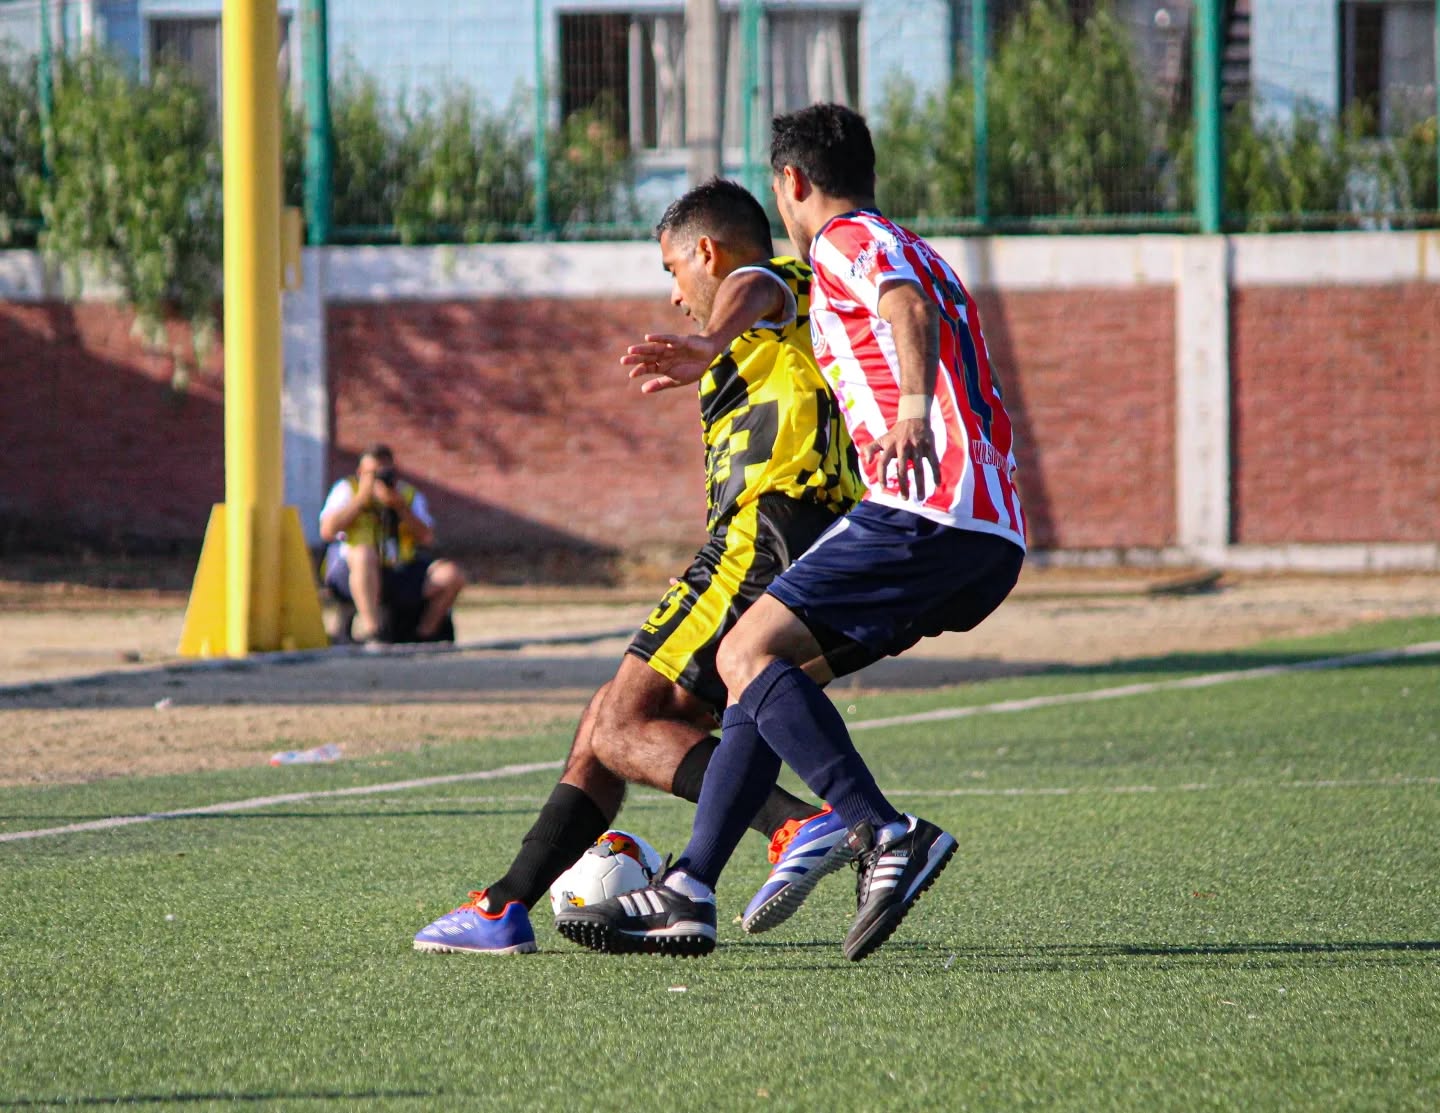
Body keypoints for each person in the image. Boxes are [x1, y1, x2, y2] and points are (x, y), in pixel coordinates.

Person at [556, 103, 1027, 962]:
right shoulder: (923, 247)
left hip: (926, 506)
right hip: (990, 532)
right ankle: (691, 887)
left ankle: (884, 831)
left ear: (792, 182)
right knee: (758, 676)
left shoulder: (845, 243)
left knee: (741, 654)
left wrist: (911, 412)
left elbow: (897, 310)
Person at [412, 178, 865, 955]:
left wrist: (706, 341)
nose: (674, 295)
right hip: (780, 537)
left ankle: (800, 821)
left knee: (623, 721)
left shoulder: (780, 283)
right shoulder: (760, 331)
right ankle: (507, 902)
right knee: (608, 718)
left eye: (671, 270)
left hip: (769, 532)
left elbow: (755, 285)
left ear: (707, 253)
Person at [318, 444, 466, 644]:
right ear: (360, 472)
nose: (379, 478)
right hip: (352, 571)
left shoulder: (406, 494)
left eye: (384, 472)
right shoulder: (347, 490)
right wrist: (361, 499)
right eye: (372, 473)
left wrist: (400, 507)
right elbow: (327, 531)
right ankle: (374, 633)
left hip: (398, 568)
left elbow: (427, 538)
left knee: (451, 575)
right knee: (364, 555)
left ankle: (423, 635)